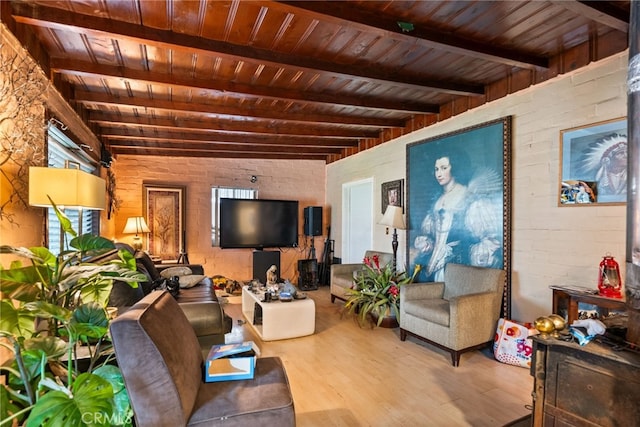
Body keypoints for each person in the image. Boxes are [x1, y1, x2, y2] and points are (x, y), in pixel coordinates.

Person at [413, 151, 503, 282]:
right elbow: (433, 237)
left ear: (454, 167)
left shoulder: (467, 196)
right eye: (436, 169)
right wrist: (427, 243)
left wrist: (478, 253)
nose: (439, 173)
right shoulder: (437, 200)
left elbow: (489, 239)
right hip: (434, 267)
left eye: (444, 168)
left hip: (458, 265)